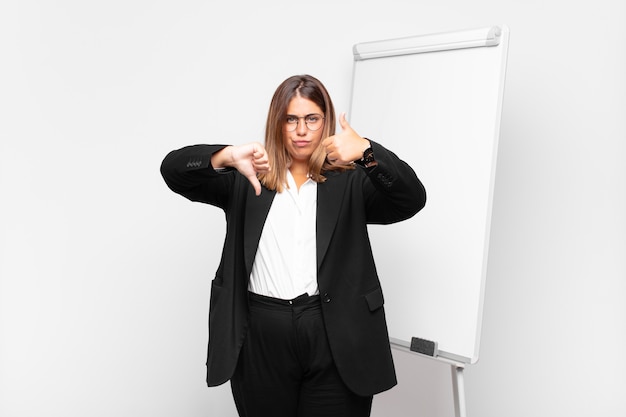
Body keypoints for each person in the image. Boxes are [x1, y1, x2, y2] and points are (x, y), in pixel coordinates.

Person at [160, 74, 426, 417]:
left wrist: (367, 152)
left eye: (311, 119)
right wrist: (226, 155)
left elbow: (411, 199)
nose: (301, 130)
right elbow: (173, 170)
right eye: (292, 119)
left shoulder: (351, 180)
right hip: (260, 333)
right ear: (278, 123)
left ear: (325, 121)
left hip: (335, 332)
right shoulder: (247, 177)